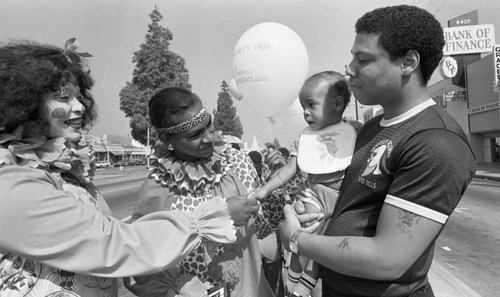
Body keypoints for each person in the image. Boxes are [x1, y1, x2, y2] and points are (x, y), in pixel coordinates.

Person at [0, 39, 256, 297]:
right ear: (23, 102)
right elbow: (113, 243)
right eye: (63, 97)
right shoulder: (9, 184)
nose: (79, 107)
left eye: (79, 96)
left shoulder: (60, 167)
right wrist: (210, 221)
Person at [279, 5, 477, 297]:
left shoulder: (436, 142)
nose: (349, 69)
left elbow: (387, 259)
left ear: (408, 62)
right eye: (352, 57)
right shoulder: (370, 128)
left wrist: (295, 238)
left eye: (363, 59)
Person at [126, 87, 285, 297]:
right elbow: (140, 256)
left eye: (208, 126)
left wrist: (275, 183)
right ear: (167, 140)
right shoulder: (159, 186)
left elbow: (263, 228)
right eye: (195, 135)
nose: (209, 138)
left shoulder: (236, 163)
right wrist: (176, 288)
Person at [251, 71, 356, 297]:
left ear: (338, 104)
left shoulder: (354, 132)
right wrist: (265, 188)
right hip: (315, 196)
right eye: (302, 105)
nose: (305, 112)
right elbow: (290, 169)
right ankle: (294, 279)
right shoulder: (305, 138)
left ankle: (306, 281)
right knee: (309, 233)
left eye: (311, 104)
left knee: (327, 241)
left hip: (343, 198)